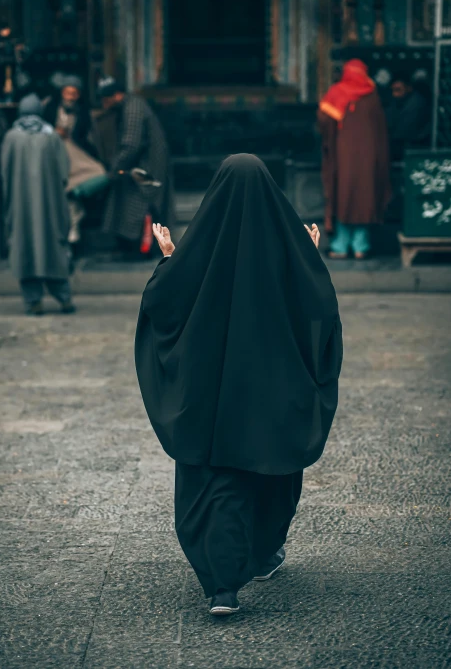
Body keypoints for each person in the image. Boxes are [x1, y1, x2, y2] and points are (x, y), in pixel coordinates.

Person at [135, 154, 342, 615]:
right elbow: (320, 310)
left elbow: (164, 305)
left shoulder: (200, 250)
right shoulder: (288, 253)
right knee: (270, 468)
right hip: (272, 394)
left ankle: (222, 587)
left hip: (211, 400)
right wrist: (309, 258)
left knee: (217, 476)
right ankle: (264, 553)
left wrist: (170, 259)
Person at [1, 94, 75, 316]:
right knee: (53, 250)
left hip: (21, 206)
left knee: (25, 251)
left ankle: (33, 302)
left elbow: (4, 173)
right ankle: (64, 299)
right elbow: (64, 170)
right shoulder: (51, 137)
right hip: (50, 207)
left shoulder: (11, 137)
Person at [93, 76, 175, 259]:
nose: (104, 102)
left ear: (116, 95)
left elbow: (131, 144)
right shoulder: (130, 105)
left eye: (106, 97)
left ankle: (139, 250)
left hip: (147, 170)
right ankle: (134, 248)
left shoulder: (133, 108)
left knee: (137, 210)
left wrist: (114, 170)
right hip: (141, 169)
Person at [318, 59, 391, 259]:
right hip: (370, 160)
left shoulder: (336, 92)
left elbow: (323, 122)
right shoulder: (372, 95)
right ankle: (361, 246)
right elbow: (382, 130)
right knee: (364, 199)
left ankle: (341, 247)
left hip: (343, 160)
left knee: (344, 197)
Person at [43, 76, 107, 249]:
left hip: (75, 151)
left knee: (98, 172)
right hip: (54, 152)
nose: (70, 97)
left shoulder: (83, 111)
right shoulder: (49, 107)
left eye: (74, 93)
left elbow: (87, 135)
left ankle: (76, 194)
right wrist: (53, 132)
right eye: (67, 92)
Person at [386, 71, 431, 160]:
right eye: (393, 90)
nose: (394, 94)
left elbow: (404, 130)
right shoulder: (396, 103)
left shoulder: (416, 103)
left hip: (414, 148)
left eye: (398, 90)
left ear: (409, 88)